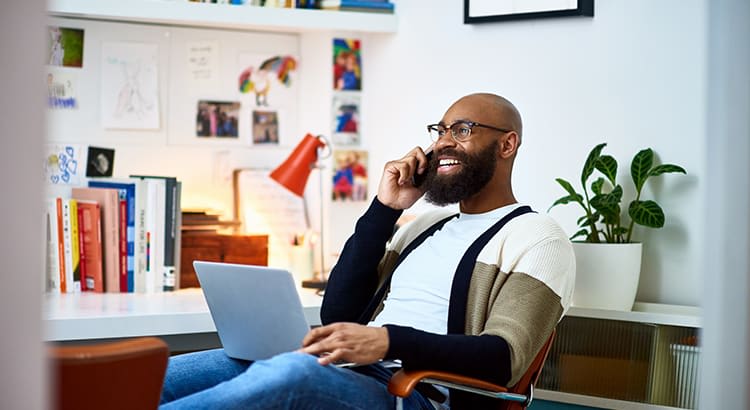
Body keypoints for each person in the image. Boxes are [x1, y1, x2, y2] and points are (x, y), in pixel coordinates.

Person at [159, 93, 575, 410]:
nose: (444, 143)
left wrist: (387, 342)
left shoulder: (537, 237)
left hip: (413, 394)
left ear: (507, 145)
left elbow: (503, 358)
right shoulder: (424, 226)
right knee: (164, 372)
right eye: (441, 131)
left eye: (463, 130)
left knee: (290, 372)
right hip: (348, 369)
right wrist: (384, 209)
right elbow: (337, 313)